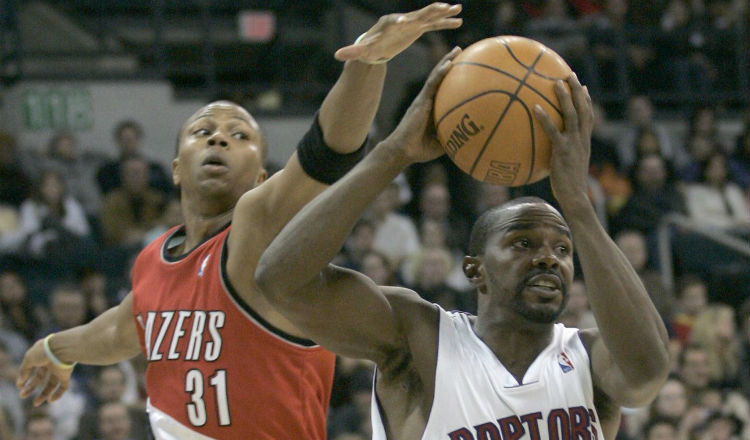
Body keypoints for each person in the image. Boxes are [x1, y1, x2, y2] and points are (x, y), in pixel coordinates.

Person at [15, 4, 463, 439]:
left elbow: (326, 155)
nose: (217, 136)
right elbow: (120, 329)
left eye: (239, 134)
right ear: (174, 167)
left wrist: (369, 62)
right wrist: (57, 349)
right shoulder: (155, 257)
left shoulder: (255, 232)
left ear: (262, 176)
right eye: (202, 130)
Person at [255, 51, 670, 439]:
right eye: (523, 243)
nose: (548, 258)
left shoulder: (590, 356)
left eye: (563, 249)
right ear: (475, 270)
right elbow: (280, 280)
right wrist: (394, 153)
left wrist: (578, 207)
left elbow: (648, 373)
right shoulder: (420, 340)